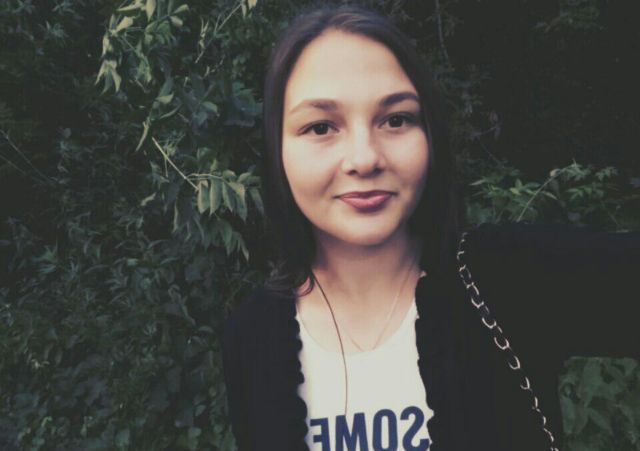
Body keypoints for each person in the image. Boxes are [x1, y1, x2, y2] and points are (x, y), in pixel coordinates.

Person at [221, 4, 640, 451]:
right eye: (321, 127)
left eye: (396, 119)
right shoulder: (252, 336)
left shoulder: (512, 277)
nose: (364, 158)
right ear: (278, 149)